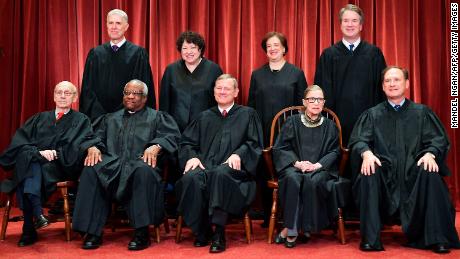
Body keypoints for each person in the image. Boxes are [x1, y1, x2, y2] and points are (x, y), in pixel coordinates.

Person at [349, 66, 460, 253]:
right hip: (385, 175)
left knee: (430, 171)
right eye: (387, 81)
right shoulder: (372, 115)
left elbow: (438, 139)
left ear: (407, 84)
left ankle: (437, 238)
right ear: (383, 87)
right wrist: (366, 153)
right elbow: (359, 139)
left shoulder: (422, 113)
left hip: (414, 174)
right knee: (369, 171)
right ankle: (370, 239)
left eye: (397, 80)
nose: (392, 84)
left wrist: (430, 153)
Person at [72, 79, 180, 251]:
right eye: (127, 93)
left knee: (143, 170)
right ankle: (92, 231)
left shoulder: (157, 118)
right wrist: (92, 146)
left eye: (135, 93)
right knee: (92, 168)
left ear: (144, 98)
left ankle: (141, 232)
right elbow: (92, 137)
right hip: (112, 165)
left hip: (140, 163)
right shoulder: (109, 119)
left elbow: (172, 137)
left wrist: (157, 146)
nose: (130, 96)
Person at [0, 81, 97, 247]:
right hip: (36, 165)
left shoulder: (82, 121)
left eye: (67, 93)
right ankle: (36, 215)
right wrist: (38, 154)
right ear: (53, 96)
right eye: (59, 92)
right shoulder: (38, 119)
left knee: (28, 166)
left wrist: (52, 154)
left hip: (61, 167)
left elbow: (78, 148)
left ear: (74, 97)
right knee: (31, 161)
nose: (62, 96)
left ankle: (29, 227)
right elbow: (18, 144)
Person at [176, 74, 263, 253]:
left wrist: (239, 154)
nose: (222, 92)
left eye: (227, 88)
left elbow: (254, 143)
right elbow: (187, 143)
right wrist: (192, 156)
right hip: (206, 166)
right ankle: (202, 231)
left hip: (234, 173)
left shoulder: (247, 114)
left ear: (236, 92)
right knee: (191, 178)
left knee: (221, 174)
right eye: (219, 88)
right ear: (214, 91)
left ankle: (219, 232)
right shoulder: (204, 116)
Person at [248, 31, 307, 227]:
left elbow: (303, 106)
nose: (272, 49)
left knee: (290, 172)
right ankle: (267, 216)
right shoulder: (257, 75)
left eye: (276, 45)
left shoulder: (296, 73)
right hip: (264, 132)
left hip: (290, 134)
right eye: (268, 46)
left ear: (284, 48)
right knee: (265, 172)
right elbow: (251, 105)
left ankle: (289, 216)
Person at [272, 85, 343, 248]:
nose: (316, 103)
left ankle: (290, 229)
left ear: (324, 103)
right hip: (294, 166)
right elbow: (280, 147)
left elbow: (334, 152)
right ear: (305, 101)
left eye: (320, 99)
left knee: (312, 181)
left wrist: (317, 165)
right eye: (312, 99)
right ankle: (295, 228)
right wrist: (297, 163)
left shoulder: (330, 126)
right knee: (293, 179)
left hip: (320, 168)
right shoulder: (292, 122)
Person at [314, 4, 386, 146]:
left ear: (361, 26)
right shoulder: (329, 55)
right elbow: (321, 90)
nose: (350, 24)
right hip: (337, 121)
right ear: (340, 25)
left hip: (369, 120)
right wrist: (329, 120)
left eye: (354, 21)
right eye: (346, 21)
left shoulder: (374, 54)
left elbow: (382, 89)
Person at [79, 9, 155, 121]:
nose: (114, 27)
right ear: (106, 25)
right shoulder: (95, 54)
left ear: (126, 27)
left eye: (118, 23)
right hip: (98, 118)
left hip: (130, 117)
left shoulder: (138, 54)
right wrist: (100, 115)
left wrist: (122, 112)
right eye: (110, 23)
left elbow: (143, 89)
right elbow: (88, 90)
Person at [160, 31, 223, 132]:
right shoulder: (171, 70)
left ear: (200, 49)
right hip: (176, 129)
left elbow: (220, 100)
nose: (188, 52)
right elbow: (164, 102)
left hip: (206, 127)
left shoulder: (214, 69)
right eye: (184, 48)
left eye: (193, 47)